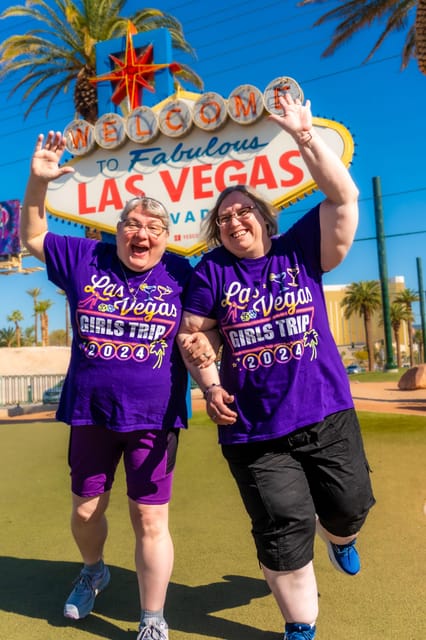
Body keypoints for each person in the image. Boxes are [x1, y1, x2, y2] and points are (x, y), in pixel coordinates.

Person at [177, 93, 375, 640]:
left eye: (244, 210)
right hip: (254, 430)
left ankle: (340, 536)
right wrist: (210, 385)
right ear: (217, 232)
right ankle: (300, 627)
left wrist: (305, 136)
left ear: (263, 217)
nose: (235, 219)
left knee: (349, 504)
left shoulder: (300, 249)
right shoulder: (211, 273)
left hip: (326, 411)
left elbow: (345, 195)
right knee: (282, 526)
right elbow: (193, 334)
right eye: (224, 217)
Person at [20, 131, 215, 640]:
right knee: (86, 508)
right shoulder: (86, 258)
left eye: (154, 226)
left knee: (151, 520)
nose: (142, 233)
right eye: (132, 224)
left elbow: (207, 325)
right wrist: (37, 183)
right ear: (117, 231)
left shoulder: (181, 272)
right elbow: (34, 238)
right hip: (90, 413)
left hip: (156, 419)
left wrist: (209, 365)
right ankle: (94, 570)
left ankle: (153, 618)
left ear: (167, 237)